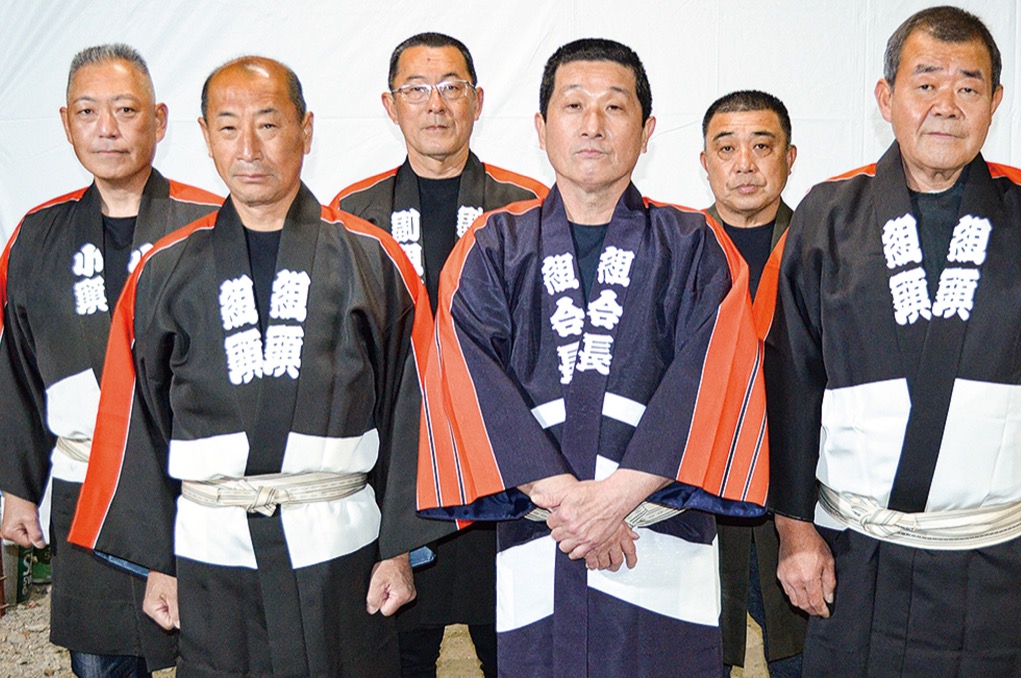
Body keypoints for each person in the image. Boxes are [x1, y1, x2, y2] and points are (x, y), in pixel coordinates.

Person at [764, 6, 1021, 676]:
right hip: (856, 552)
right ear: (886, 98)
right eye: (926, 83)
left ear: (995, 102)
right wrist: (793, 528)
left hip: (1002, 560)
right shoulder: (828, 214)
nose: (946, 105)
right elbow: (788, 378)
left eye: (968, 87)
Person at [68, 56, 451, 676]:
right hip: (211, 551)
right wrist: (159, 562)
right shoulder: (164, 269)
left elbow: (417, 410)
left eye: (269, 125)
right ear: (205, 136)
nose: (248, 148)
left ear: (306, 130)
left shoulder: (372, 258)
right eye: (228, 128)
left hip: (341, 548)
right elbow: (136, 421)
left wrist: (401, 549)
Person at [417, 38, 769, 676]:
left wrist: (615, 501)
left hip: (660, 532)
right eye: (574, 105)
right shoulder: (493, 244)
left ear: (647, 131)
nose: (592, 124)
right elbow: (465, 379)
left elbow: (716, 381)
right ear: (541, 127)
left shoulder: (696, 244)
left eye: (614, 107)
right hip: (542, 532)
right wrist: (570, 504)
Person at [0, 43, 221, 678]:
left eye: (125, 110)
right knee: (101, 659)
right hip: (89, 486)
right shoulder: (38, 234)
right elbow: (17, 369)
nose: (107, 128)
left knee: (219, 653)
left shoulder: (212, 222)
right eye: (88, 111)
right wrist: (19, 488)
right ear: (66, 123)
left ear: (159, 119)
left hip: (198, 489)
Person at [332, 34, 547, 677]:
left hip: (500, 470)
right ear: (390, 105)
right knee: (397, 657)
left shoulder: (527, 206)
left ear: (477, 101)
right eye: (417, 90)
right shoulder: (351, 213)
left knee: (517, 654)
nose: (436, 104)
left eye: (452, 88)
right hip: (396, 474)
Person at [699, 89, 805, 677]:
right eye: (727, 148)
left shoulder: (825, 244)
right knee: (697, 655)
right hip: (700, 492)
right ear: (705, 161)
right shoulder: (676, 247)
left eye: (762, 147)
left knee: (806, 656)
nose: (744, 164)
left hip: (801, 493)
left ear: (789, 158)